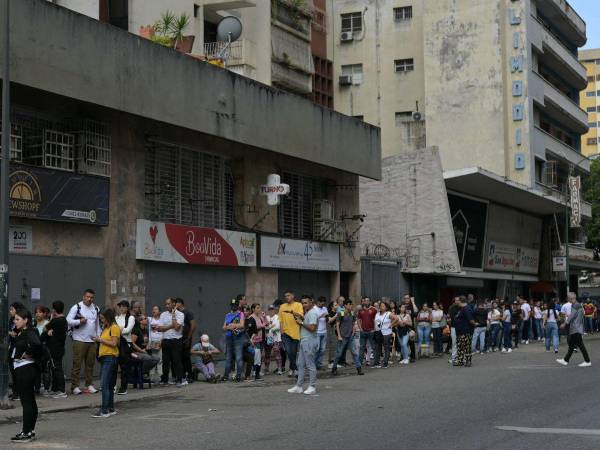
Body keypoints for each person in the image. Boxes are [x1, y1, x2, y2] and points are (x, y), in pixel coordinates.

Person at [9, 308, 42, 442]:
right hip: (24, 369)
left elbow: (37, 344)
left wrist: (27, 354)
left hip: (25, 369)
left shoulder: (29, 331)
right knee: (30, 401)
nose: (15, 321)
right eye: (15, 319)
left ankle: (26, 432)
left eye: (18, 319)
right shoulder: (22, 332)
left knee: (27, 402)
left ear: (26, 320)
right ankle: (30, 431)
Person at [66, 289, 100, 395]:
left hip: (92, 340)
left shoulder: (95, 308)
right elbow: (68, 320)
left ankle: (89, 385)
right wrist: (79, 321)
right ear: (83, 297)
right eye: (88, 297)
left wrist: (98, 335)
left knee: (90, 364)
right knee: (77, 364)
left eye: (91, 297)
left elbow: (97, 324)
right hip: (79, 339)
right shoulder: (76, 307)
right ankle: (75, 386)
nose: (89, 299)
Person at [91, 308, 120, 418]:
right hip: (106, 358)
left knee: (104, 384)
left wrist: (100, 340)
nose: (102, 320)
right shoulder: (107, 328)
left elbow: (114, 343)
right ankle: (111, 408)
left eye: (103, 318)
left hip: (110, 358)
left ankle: (104, 410)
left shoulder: (114, 327)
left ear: (108, 317)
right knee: (109, 384)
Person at [288, 295, 319, 395]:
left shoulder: (313, 313)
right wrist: (300, 318)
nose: (304, 304)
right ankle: (299, 386)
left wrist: (301, 322)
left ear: (311, 303)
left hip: (309, 341)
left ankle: (312, 386)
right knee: (300, 364)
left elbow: (313, 328)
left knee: (310, 365)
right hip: (304, 341)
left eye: (306, 302)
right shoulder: (308, 312)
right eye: (302, 303)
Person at [155, 298, 185, 387]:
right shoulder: (163, 314)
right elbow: (160, 328)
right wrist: (171, 326)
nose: (166, 306)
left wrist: (173, 315)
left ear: (174, 304)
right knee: (165, 361)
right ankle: (164, 380)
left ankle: (180, 379)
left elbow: (177, 327)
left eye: (168, 304)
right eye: (166, 304)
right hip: (166, 340)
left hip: (176, 340)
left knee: (177, 360)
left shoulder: (180, 314)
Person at [557, 293, 591, 367]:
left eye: (568, 298)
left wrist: (563, 323)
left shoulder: (574, 305)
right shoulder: (579, 305)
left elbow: (569, 316)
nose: (568, 300)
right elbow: (581, 314)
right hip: (576, 327)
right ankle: (566, 360)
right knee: (572, 345)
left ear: (571, 298)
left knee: (580, 345)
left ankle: (587, 361)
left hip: (575, 328)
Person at [331, 299, 363, 376]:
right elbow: (337, 325)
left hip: (350, 337)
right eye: (349, 304)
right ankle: (334, 368)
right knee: (339, 354)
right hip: (342, 337)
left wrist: (353, 332)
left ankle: (359, 369)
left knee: (354, 353)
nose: (350, 305)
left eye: (351, 304)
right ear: (345, 305)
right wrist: (339, 336)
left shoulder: (352, 314)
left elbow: (353, 324)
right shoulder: (340, 313)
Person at [43, 301, 68, 398]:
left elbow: (45, 328)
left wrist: (50, 324)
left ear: (54, 310)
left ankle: (61, 390)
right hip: (60, 348)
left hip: (54, 348)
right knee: (55, 368)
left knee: (57, 369)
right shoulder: (64, 320)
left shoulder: (55, 321)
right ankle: (55, 389)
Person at [279, 291, 304, 377]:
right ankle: (296, 369)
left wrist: (292, 312)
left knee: (293, 353)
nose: (287, 297)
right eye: (285, 296)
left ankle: (291, 368)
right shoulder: (282, 306)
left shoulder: (298, 305)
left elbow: (301, 317)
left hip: (295, 333)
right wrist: (281, 333)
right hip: (285, 333)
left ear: (293, 296)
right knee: (289, 352)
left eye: (288, 295)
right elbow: (281, 321)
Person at [222, 299, 246, 382]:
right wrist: (230, 327)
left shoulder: (241, 314)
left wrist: (232, 325)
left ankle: (238, 376)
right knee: (228, 357)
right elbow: (223, 327)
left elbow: (242, 325)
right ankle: (225, 376)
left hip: (238, 337)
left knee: (239, 357)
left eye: (235, 305)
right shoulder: (227, 315)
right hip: (229, 337)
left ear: (238, 306)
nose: (233, 306)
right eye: (232, 305)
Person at [115, 300, 135, 395]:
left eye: (123, 306)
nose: (122, 308)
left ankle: (123, 387)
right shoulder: (116, 317)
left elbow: (127, 330)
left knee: (124, 367)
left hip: (126, 344)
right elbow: (113, 329)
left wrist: (118, 330)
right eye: (120, 306)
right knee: (114, 366)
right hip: (117, 343)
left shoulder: (131, 318)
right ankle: (113, 386)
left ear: (127, 308)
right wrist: (120, 329)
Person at [175, 298, 196, 383]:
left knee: (186, 357)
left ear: (180, 303)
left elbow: (193, 325)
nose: (175, 305)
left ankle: (190, 375)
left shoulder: (188, 312)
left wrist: (188, 338)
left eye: (176, 303)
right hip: (179, 338)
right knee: (180, 357)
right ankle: (182, 375)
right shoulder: (177, 313)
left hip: (186, 338)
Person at [8, 302, 25, 401]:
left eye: (12, 309)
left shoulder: (21, 319)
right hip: (12, 347)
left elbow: (15, 333)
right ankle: (15, 392)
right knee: (12, 369)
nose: (10, 312)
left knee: (16, 370)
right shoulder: (11, 320)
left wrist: (8, 332)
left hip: (18, 348)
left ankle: (18, 393)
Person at [246, 303, 267, 380]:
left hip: (262, 338)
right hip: (255, 340)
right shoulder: (251, 317)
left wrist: (264, 317)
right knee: (256, 356)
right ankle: (255, 371)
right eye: (257, 308)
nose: (259, 309)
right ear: (253, 309)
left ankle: (256, 371)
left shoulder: (260, 316)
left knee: (259, 356)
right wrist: (263, 325)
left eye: (259, 308)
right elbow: (255, 327)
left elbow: (267, 324)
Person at [452, 296, 475, 367]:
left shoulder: (467, 309)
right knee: (460, 347)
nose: (456, 302)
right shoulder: (462, 309)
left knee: (467, 347)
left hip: (465, 332)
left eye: (457, 300)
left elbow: (471, 320)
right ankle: (460, 361)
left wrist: (475, 324)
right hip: (460, 332)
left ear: (461, 301)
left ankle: (468, 361)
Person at [373, 302, 396, 368]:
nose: (381, 307)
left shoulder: (388, 314)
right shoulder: (377, 314)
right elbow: (376, 323)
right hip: (378, 333)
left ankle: (385, 363)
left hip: (386, 333)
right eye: (380, 306)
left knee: (386, 348)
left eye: (383, 306)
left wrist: (391, 325)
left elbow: (396, 319)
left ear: (386, 307)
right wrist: (375, 329)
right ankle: (376, 363)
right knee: (377, 348)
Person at [357, 296, 377, 367]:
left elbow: (376, 320)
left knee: (373, 347)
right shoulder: (360, 310)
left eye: (368, 300)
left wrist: (374, 329)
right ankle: (359, 362)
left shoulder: (374, 310)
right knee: (362, 347)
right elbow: (358, 320)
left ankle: (376, 362)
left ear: (370, 302)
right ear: (363, 302)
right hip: (363, 331)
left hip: (371, 331)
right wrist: (360, 329)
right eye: (365, 300)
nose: (367, 302)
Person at [264, 305, 282, 375]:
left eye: (272, 309)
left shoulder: (277, 317)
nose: (271, 311)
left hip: (276, 338)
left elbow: (277, 327)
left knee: (277, 353)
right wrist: (271, 327)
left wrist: (269, 328)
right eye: (270, 309)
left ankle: (279, 369)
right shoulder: (267, 317)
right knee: (267, 354)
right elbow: (264, 326)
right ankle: (266, 369)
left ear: (275, 310)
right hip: (268, 338)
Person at [147, 305, 163, 382]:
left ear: (159, 311)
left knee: (160, 359)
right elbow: (149, 332)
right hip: (152, 341)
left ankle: (160, 376)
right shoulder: (150, 319)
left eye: (156, 309)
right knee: (152, 359)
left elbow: (164, 331)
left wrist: (161, 341)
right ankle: (151, 376)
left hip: (159, 341)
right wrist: (149, 342)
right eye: (153, 309)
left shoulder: (162, 320)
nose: (154, 310)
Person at [315, 297, 329, 370]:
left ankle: (319, 364)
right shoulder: (314, 309)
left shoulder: (325, 308)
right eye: (321, 302)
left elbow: (327, 319)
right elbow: (313, 319)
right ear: (318, 302)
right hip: (317, 332)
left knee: (322, 349)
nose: (323, 304)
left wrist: (327, 317)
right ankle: (314, 364)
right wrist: (321, 316)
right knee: (316, 349)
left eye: (324, 302)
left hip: (324, 331)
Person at [447, 297, 460, 364]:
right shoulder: (451, 308)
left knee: (460, 343)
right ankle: (453, 357)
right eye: (456, 300)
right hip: (454, 327)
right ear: (454, 301)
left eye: (458, 300)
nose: (457, 301)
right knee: (454, 343)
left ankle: (459, 357)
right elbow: (449, 317)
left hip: (461, 327)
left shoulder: (462, 307)